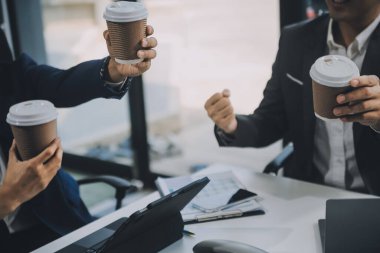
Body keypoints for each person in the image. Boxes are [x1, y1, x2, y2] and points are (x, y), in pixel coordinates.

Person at [0, 24, 157, 252]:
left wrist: (113, 69)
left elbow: (62, 82)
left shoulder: (10, 74)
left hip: (59, 221)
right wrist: (10, 197)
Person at [205, 0, 380, 195]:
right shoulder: (295, 39)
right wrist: (232, 126)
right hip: (306, 192)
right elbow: (271, 120)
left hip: (372, 198)